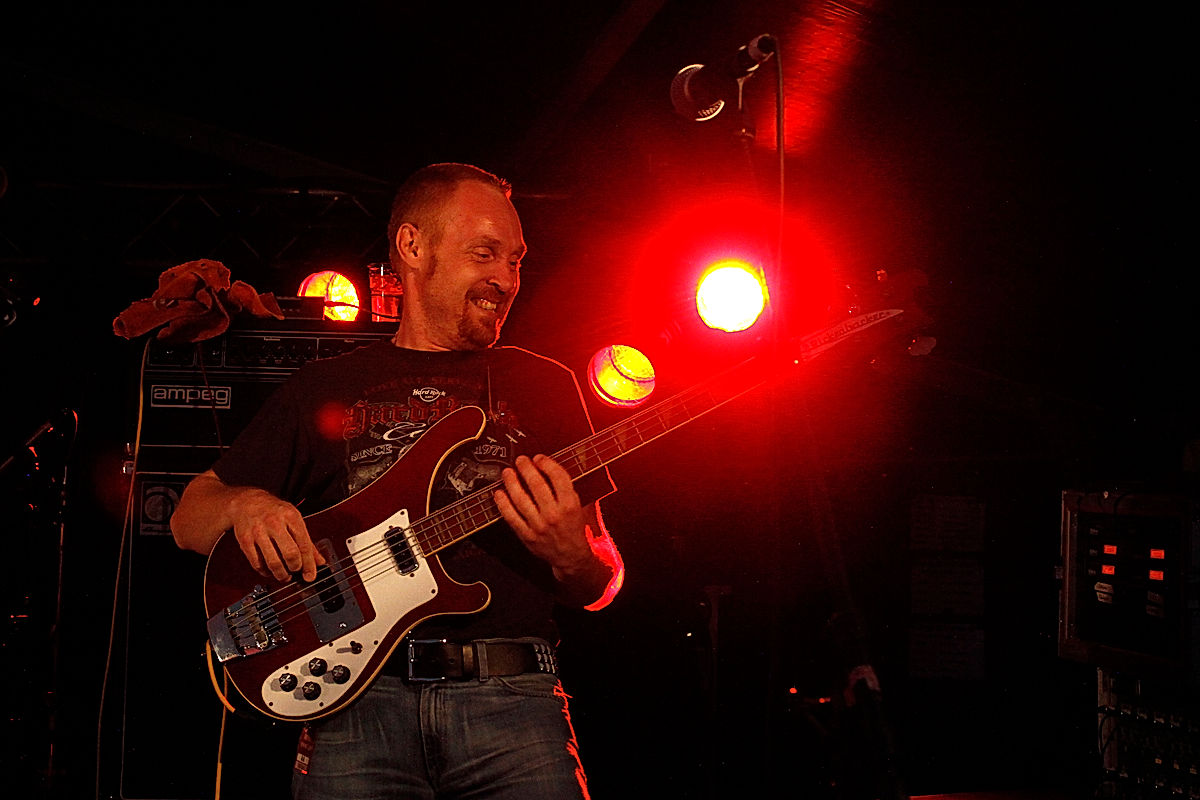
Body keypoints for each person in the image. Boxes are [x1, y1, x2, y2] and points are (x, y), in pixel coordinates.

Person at [170, 162, 624, 799]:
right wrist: (246, 505)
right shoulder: (325, 386)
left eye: (515, 260)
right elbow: (188, 516)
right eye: (484, 253)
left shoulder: (545, 385)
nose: (505, 278)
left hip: (513, 702)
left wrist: (572, 553)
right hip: (357, 707)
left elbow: (602, 580)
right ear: (413, 247)